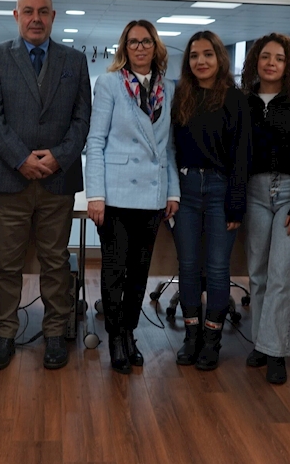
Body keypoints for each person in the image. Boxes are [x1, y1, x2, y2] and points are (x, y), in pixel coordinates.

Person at [0, 0, 92, 371]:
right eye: (28, 11)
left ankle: (55, 333)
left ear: (53, 16)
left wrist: (59, 157)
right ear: (16, 16)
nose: (36, 18)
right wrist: (20, 158)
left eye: (43, 11)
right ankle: (5, 334)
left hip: (58, 181)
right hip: (10, 180)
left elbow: (82, 119)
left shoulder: (74, 61)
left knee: (56, 262)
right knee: (6, 263)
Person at [85, 20, 179, 374]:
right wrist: (96, 194)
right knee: (114, 272)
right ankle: (114, 336)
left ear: (156, 47)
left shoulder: (167, 88)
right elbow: (96, 141)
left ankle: (129, 332)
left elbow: (168, 146)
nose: (140, 48)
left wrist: (173, 190)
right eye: (133, 42)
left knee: (140, 273)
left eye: (146, 41)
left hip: (152, 196)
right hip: (116, 194)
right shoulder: (109, 83)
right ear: (125, 48)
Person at [240, 33, 290, 385]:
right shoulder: (244, 101)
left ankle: (276, 352)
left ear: (289, 65)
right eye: (265, 57)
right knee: (257, 273)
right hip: (254, 193)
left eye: (279, 58)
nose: (271, 63)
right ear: (255, 61)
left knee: (282, 275)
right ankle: (261, 342)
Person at [171, 31, 251, 371]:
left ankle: (211, 339)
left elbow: (243, 155)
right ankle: (191, 337)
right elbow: (169, 149)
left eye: (207, 54)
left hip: (221, 188)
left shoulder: (235, 98)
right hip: (185, 188)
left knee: (218, 269)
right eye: (194, 56)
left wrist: (236, 203)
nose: (200, 61)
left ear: (220, 58)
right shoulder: (181, 96)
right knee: (188, 267)